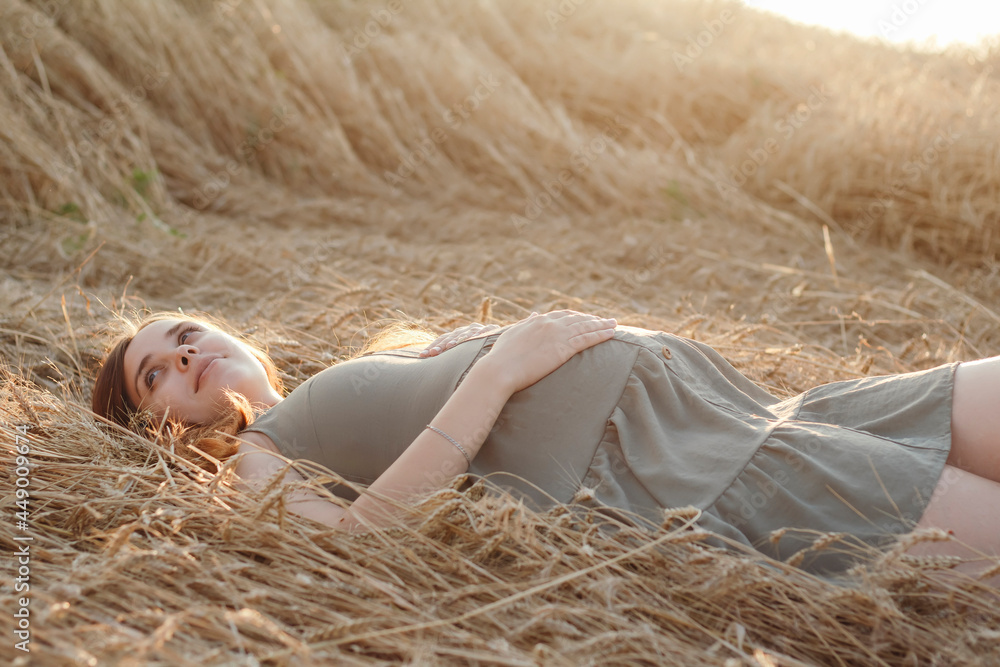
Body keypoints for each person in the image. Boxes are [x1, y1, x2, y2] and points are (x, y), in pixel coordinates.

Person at [91, 310, 1000, 581]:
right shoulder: (261, 457)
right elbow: (355, 540)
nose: (180, 351)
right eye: (153, 375)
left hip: (750, 408)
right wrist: (495, 372)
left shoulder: (362, 362)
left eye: (183, 329)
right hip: (691, 466)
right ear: (159, 429)